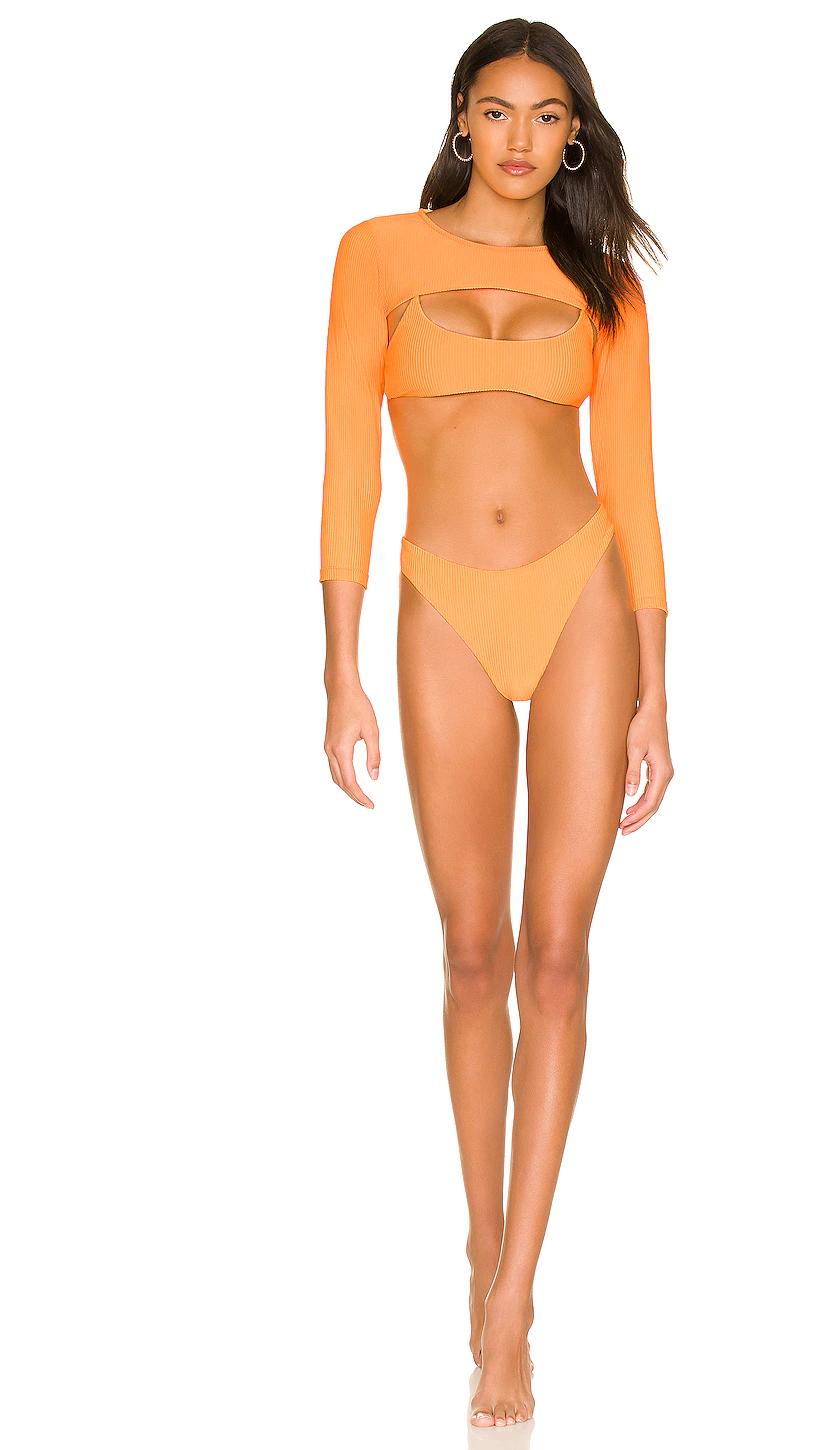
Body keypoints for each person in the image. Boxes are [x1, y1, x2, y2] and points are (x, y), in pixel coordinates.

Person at [319, 17, 674, 1429]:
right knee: (473, 953)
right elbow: (348, 468)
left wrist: (658, 686)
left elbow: (634, 483)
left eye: (548, 115)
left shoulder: (603, 282)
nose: (521, 137)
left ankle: (515, 1302)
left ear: (573, 136)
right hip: (442, 602)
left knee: (558, 954)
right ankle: (482, 1244)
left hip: (582, 595)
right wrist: (338, 669)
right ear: (461, 120)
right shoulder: (375, 255)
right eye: (497, 109)